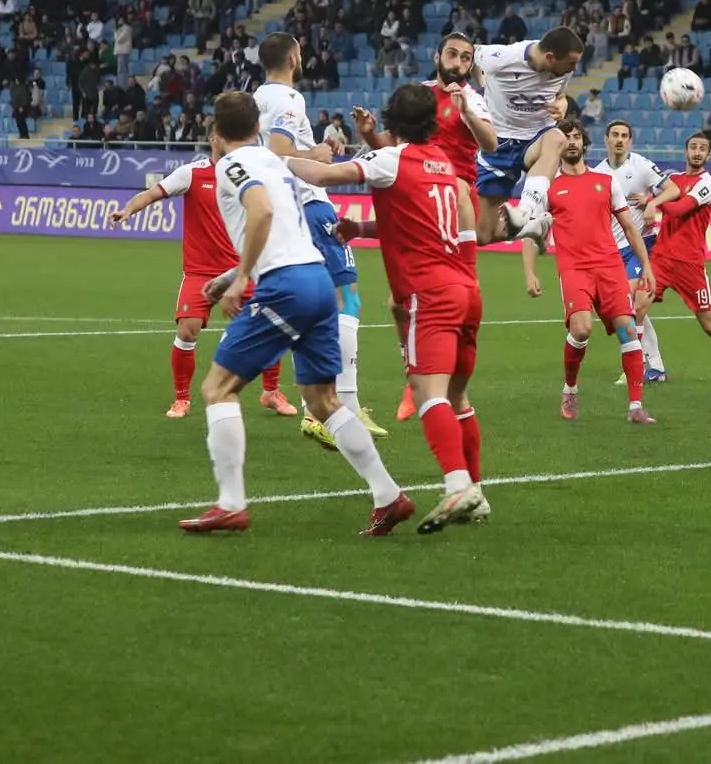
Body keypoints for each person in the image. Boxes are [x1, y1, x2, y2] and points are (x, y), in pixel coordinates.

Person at [180, 93, 412, 536]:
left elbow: (262, 212)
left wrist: (242, 277)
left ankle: (230, 504)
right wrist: (233, 273)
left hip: (285, 286)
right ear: (258, 128)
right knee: (323, 401)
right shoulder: (275, 162)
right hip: (317, 281)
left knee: (217, 389)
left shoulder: (232, 165)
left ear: (216, 134)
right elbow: (284, 224)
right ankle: (388, 496)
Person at [288, 84, 491, 536]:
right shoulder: (443, 162)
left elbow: (321, 176)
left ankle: (457, 485)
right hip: (465, 288)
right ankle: (475, 488)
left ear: (391, 121)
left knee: (427, 394)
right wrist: (361, 226)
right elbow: (429, 221)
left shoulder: (390, 161)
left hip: (428, 292)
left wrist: (273, 158)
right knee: (458, 399)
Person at [353, 32, 499, 422]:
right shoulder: (417, 95)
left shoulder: (474, 99)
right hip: (414, 189)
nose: (458, 63)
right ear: (437, 56)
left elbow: (491, 145)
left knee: (457, 296)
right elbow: (391, 144)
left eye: (466, 58)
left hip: (454, 195)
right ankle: (415, 375)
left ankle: (438, 387)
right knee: (398, 303)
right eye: (452, 54)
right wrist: (369, 133)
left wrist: (465, 110)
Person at [109, 151, 301, 420]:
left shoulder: (249, 175)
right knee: (187, 331)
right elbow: (153, 193)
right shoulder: (191, 173)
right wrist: (129, 208)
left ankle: (271, 392)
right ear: (213, 139)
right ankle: (181, 399)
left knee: (269, 324)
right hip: (200, 273)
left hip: (240, 270)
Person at [254, 32, 378, 440]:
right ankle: (345, 406)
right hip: (308, 203)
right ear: (292, 57)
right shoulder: (289, 99)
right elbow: (277, 155)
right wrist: (319, 154)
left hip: (281, 212)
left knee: (311, 306)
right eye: (301, 51)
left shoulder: (256, 98)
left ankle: (315, 408)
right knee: (348, 297)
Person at [520, 120, 658, 425]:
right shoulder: (549, 186)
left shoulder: (606, 182)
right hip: (574, 269)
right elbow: (531, 231)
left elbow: (629, 227)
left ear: (584, 144)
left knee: (628, 331)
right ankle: (570, 388)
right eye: (566, 138)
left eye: (576, 137)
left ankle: (636, 406)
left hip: (609, 267)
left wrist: (646, 265)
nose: (571, 142)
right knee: (581, 330)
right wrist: (529, 272)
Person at [641, 132, 711, 385]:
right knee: (635, 309)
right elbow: (647, 189)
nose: (697, 152)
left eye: (702, 149)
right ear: (685, 152)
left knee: (709, 325)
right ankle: (643, 366)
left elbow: (679, 210)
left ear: (709, 155)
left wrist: (653, 203)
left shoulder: (707, 183)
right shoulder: (672, 180)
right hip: (661, 260)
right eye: (693, 147)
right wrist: (647, 200)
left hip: (690, 265)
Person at [472, 28, 585, 245]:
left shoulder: (564, 70)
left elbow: (560, 96)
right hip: (498, 143)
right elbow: (472, 54)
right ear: (550, 57)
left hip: (536, 137)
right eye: (571, 63)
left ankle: (524, 212)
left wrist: (562, 104)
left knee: (557, 139)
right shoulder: (502, 58)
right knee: (483, 236)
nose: (575, 68)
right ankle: (532, 228)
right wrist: (483, 82)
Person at [598, 119, 674, 381]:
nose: (620, 140)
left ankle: (635, 365)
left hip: (641, 245)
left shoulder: (641, 166)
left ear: (630, 141)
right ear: (606, 139)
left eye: (624, 136)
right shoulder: (598, 173)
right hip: (611, 250)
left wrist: (653, 202)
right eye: (615, 135)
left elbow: (674, 190)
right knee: (624, 310)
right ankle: (657, 366)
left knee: (632, 305)